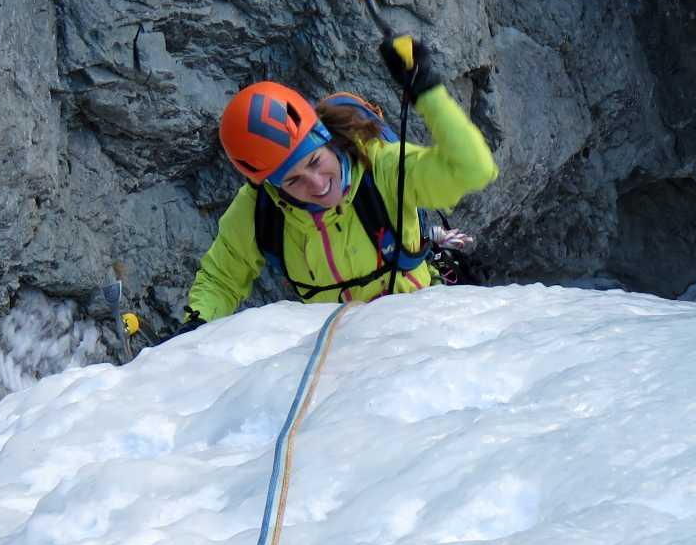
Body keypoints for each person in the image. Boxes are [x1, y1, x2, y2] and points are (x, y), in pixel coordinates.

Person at [174, 37, 497, 333]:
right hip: (338, 354)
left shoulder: (381, 167)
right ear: (271, 185)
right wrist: (196, 326)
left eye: (315, 162)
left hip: (418, 331)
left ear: (327, 139)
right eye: (293, 180)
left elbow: (473, 169)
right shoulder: (260, 208)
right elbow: (222, 278)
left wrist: (428, 92)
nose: (316, 184)